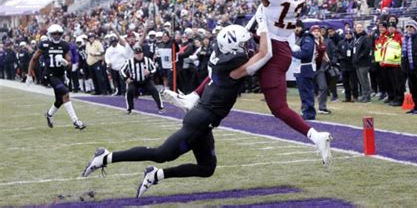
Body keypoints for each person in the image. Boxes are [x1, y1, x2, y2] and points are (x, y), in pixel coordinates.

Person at [165, 0, 333, 166]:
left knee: (277, 106)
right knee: (225, 64)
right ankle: (193, 97)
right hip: (277, 44)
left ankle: (315, 136)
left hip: (270, 49)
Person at [82, 25, 281, 198]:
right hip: (200, 121)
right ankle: (105, 156)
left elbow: (255, 50)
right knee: (161, 154)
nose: (247, 48)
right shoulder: (233, 69)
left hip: (203, 118)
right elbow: (265, 53)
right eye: (243, 44)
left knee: (206, 169)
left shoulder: (223, 60)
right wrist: (265, 26)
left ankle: (155, 175)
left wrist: (260, 28)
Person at [26, 24, 86, 130]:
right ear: (50, 34)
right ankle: (76, 121)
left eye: (59, 33)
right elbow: (34, 59)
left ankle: (49, 115)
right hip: (50, 75)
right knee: (65, 93)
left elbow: (70, 65)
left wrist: (65, 62)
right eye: (54, 33)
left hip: (60, 75)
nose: (57, 35)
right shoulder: (44, 44)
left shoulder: (64, 45)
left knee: (60, 100)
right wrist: (29, 75)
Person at [120, 45, 164, 114]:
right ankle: (129, 109)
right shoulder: (129, 62)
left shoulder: (147, 60)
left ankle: (160, 107)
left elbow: (155, 68)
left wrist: (149, 72)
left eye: (140, 53)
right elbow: (122, 70)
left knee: (154, 90)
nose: (139, 55)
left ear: (142, 53)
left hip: (146, 80)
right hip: (134, 81)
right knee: (129, 91)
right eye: (137, 54)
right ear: (134, 54)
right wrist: (126, 78)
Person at [292, 21, 317, 120]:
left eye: (298, 27)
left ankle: (309, 113)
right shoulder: (300, 38)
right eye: (294, 27)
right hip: (300, 69)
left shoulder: (307, 38)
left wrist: (291, 53)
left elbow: (305, 54)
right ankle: (305, 111)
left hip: (306, 69)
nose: (296, 29)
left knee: (307, 92)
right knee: (303, 93)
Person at [352, 23, 372, 103]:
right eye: (358, 27)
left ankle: (367, 96)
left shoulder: (365, 38)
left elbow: (367, 49)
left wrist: (359, 57)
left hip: (363, 63)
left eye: (360, 27)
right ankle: (364, 95)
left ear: (363, 28)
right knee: (361, 81)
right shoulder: (356, 38)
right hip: (357, 63)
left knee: (364, 80)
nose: (359, 29)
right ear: (355, 29)